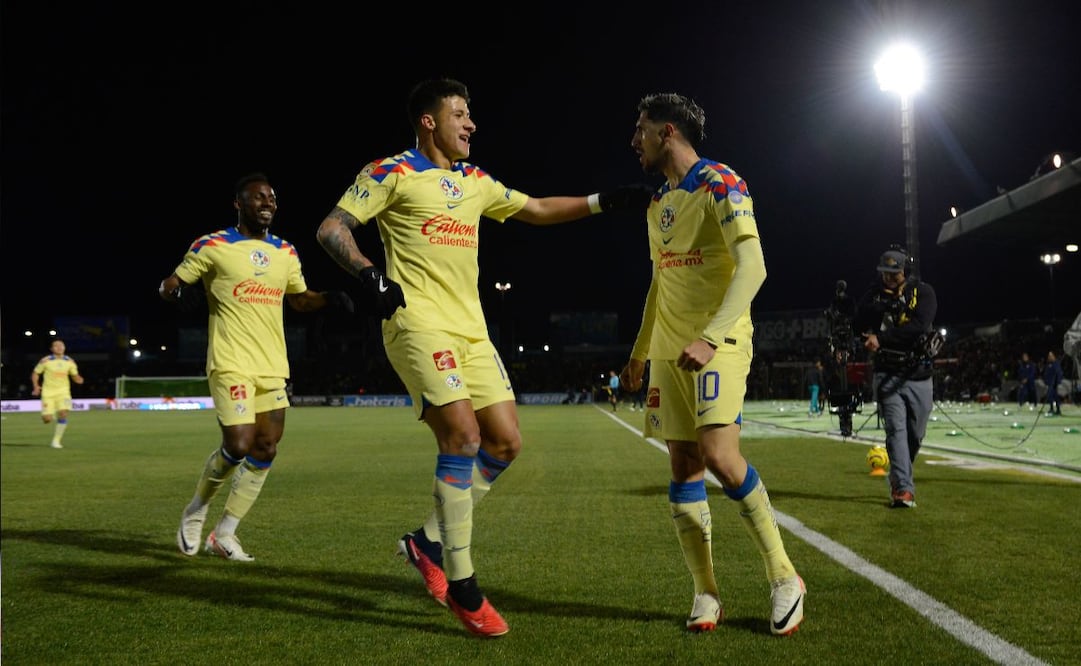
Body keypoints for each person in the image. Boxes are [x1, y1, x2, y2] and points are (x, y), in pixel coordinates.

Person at [314, 78, 651, 637]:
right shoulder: (390, 172)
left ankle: (424, 543)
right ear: (429, 121)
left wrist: (604, 201)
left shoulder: (475, 181)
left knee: (505, 441)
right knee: (464, 439)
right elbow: (332, 229)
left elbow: (538, 209)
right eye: (460, 114)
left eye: (471, 116)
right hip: (416, 322)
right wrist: (369, 274)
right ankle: (464, 588)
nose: (471, 124)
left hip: (472, 331)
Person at [617, 92, 804, 636]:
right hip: (668, 351)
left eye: (641, 129)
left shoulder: (721, 182)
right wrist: (638, 351)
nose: (635, 140)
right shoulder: (658, 204)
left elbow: (754, 267)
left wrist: (711, 335)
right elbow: (660, 283)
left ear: (667, 132)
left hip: (717, 343)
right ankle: (705, 592)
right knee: (682, 467)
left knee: (721, 457)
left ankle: (784, 576)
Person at [161, 172, 354, 563]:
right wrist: (176, 293)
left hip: (272, 365)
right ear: (238, 203)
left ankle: (225, 532)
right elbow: (170, 284)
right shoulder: (212, 245)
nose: (268, 203)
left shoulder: (286, 252)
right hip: (231, 362)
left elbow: (300, 301)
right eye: (258, 198)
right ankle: (196, 509)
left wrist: (331, 299)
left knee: (266, 447)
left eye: (272, 198)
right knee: (237, 444)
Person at [854, 245, 938, 509]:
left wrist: (882, 338)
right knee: (896, 431)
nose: (889, 278)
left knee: (916, 433)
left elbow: (918, 327)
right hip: (887, 373)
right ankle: (903, 489)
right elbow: (859, 321)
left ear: (906, 271)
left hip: (919, 375)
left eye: (895, 273)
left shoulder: (924, 293)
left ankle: (901, 472)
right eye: (885, 273)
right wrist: (878, 304)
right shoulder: (874, 295)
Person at [30, 338, 85, 449]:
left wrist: (78, 379)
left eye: (62, 345)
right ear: (51, 348)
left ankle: (56, 441)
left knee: (63, 413)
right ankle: (50, 414)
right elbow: (35, 373)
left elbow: (75, 376)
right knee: (47, 419)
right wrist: (36, 386)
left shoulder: (70, 361)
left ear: (64, 348)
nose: (59, 347)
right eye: (56, 345)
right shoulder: (46, 360)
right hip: (48, 393)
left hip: (63, 392)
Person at [1044, 351, 1063, 415]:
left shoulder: (1056, 363)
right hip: (1049, 383)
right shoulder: (1048, 364)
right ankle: (1052, 409)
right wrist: (1046, 382)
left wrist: (1057, 381)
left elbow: (1059, 373)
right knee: (1050, 396)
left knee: (1054, 397)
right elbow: (1046, 374)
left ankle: (1057, 410)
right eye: (1049, 356)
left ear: (1054, 356)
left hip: (1054, 384)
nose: (1049, 357)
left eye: (1051, 355)